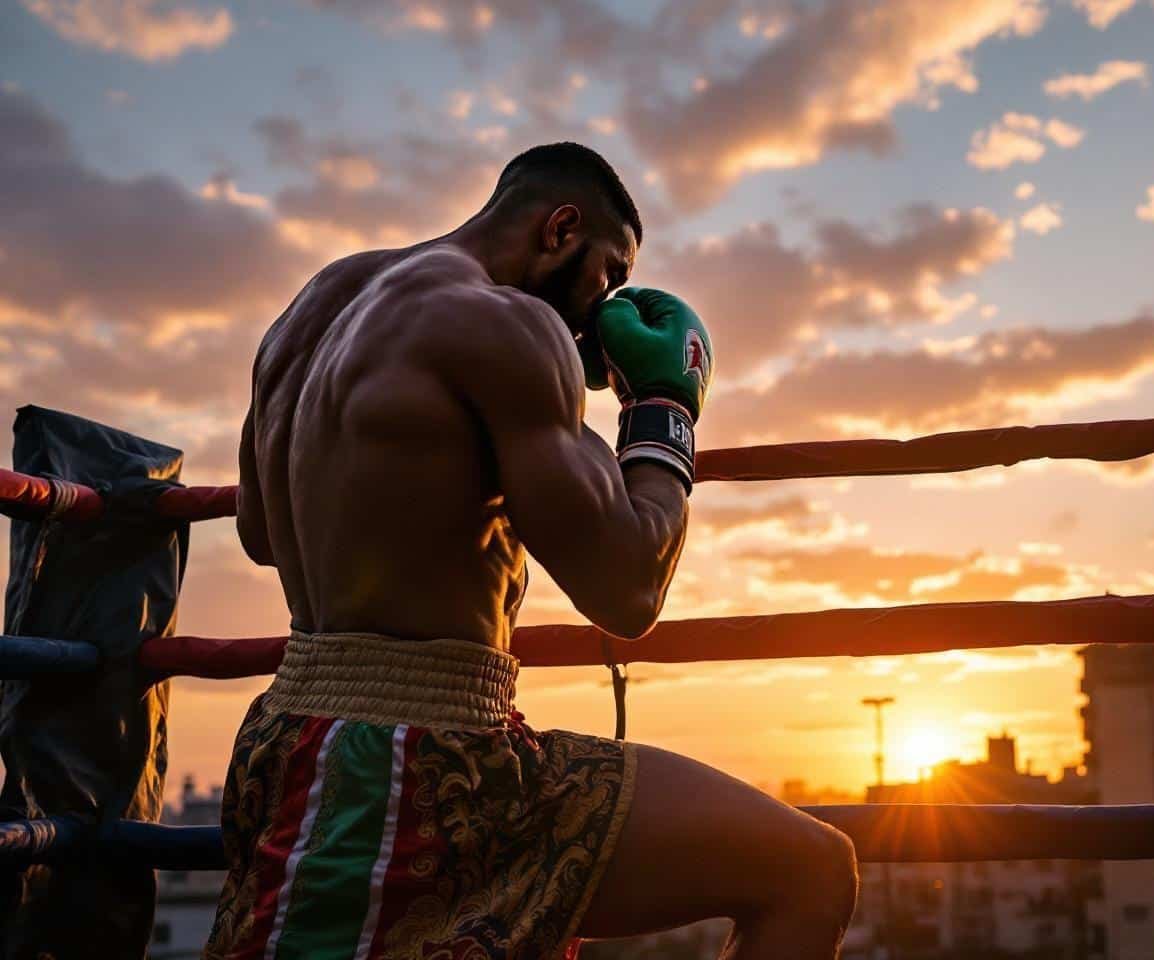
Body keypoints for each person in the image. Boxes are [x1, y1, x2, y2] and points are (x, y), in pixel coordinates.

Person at [203, 142, 859, 960]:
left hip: (287, 732)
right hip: (427, 757)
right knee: (812, 872)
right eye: (608, 275)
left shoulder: (317, 304)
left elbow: (260, 535)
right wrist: (663, 408)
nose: (602, 307)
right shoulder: (509, 326)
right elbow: (629, 591)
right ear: (561, 229)